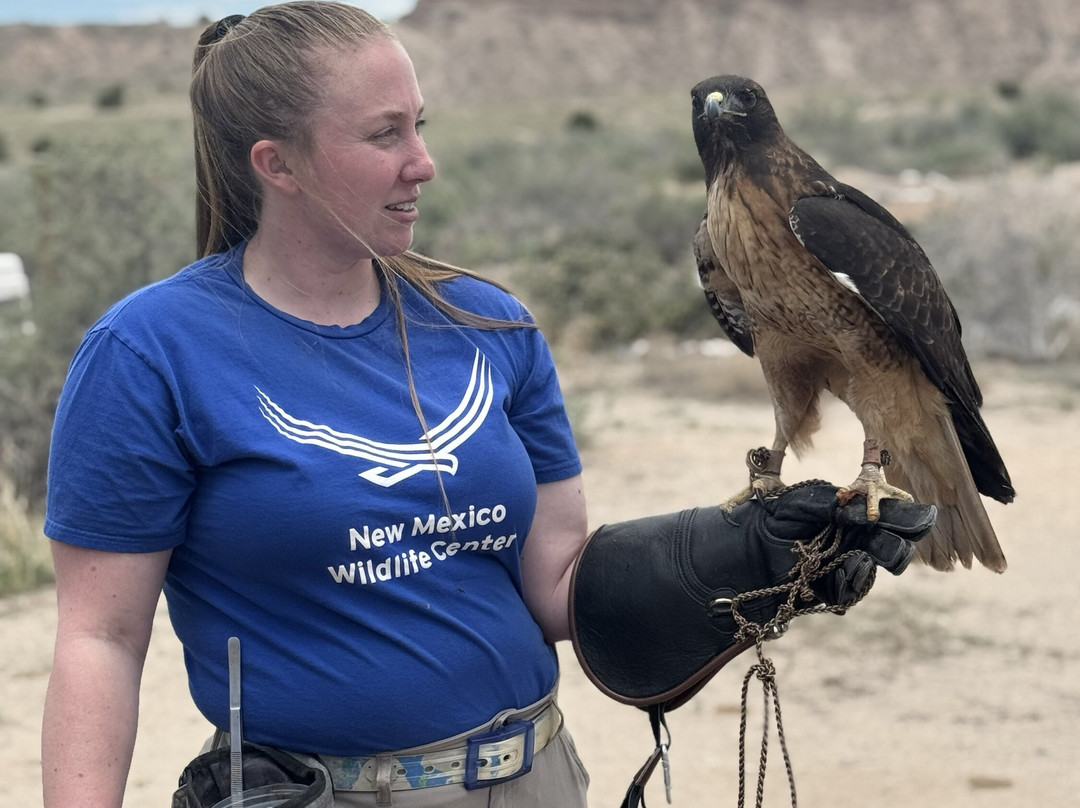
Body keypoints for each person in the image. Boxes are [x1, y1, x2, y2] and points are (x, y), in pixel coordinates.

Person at [40, 4, 935, 807]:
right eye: (385, 134)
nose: (422, 162)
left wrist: (742, 556)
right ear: (279, 165)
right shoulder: (151, 353)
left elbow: (555, 586)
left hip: (535, 780)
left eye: (420, 125)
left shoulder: (487, 324)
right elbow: (101, 641)